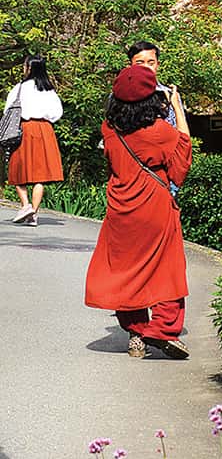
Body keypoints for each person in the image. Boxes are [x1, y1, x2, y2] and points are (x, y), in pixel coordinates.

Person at [85, 64, 192, 360]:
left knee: (126, 270)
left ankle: (137, 333)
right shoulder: (160, 132)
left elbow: (111, 164)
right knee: (167, 267)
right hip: (154, 206)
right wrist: (177, 108)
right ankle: (161, 329)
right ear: (151, 99)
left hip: (121, 206)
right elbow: (181, 161)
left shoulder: (109, 129)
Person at [7, 54, 64, 227]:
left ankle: (26, 206)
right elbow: (57, 113)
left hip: (24, 128)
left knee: (17, 170)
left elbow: (8, 110)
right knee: (40, 173)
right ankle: (34, 213)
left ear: (29, 68)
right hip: (45, 130)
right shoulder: (49, 90)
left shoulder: (19, 88)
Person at [125, 41, 177, 127]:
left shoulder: (171, 95)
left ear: (157, 65)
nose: (146, 67)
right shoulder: (121, 94)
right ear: (130, 65)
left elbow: (178, 129)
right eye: (139, 63)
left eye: (151, 63)